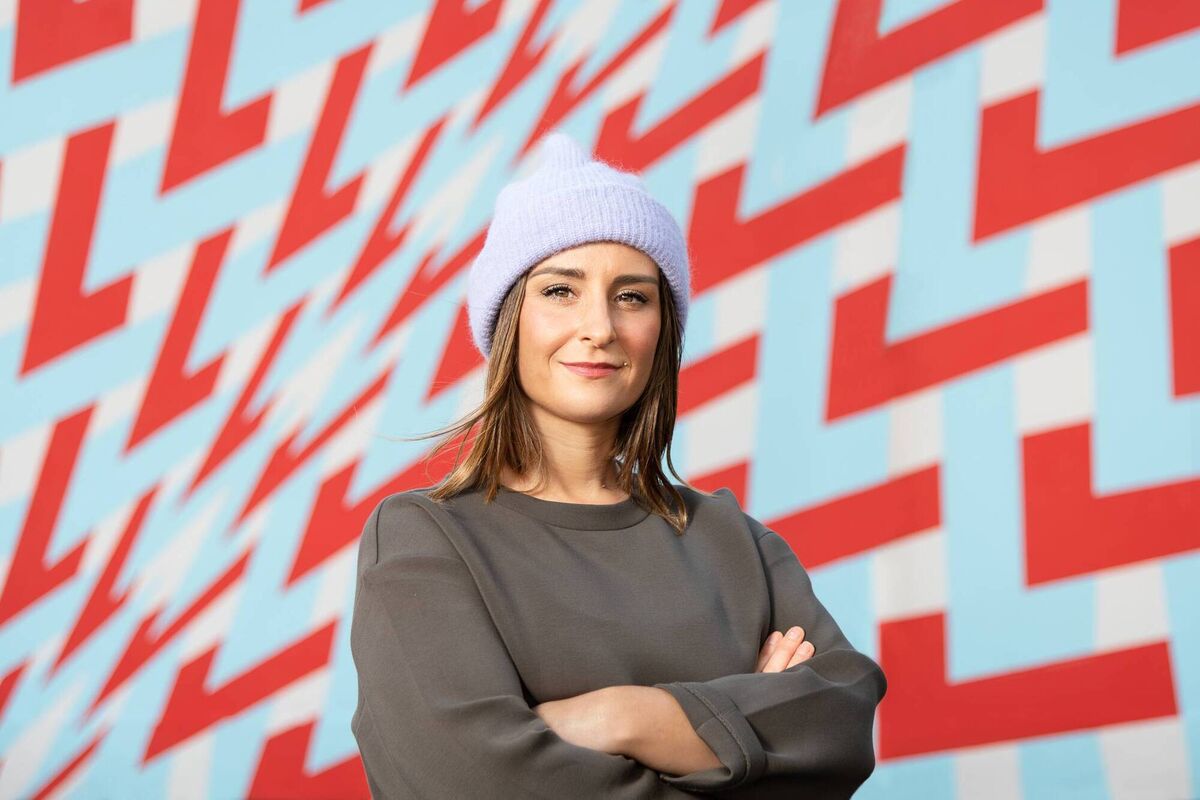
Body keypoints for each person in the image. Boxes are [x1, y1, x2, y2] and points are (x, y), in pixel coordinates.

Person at [348, 131, 887, 798]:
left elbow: (840, 722)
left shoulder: (731, 540)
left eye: (632, 296)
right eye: (560, 291)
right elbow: (469, 782)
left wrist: (623, 716)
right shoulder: (424, 540)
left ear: (662, 329)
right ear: (510, 320)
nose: (599, 325)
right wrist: (737, 740)